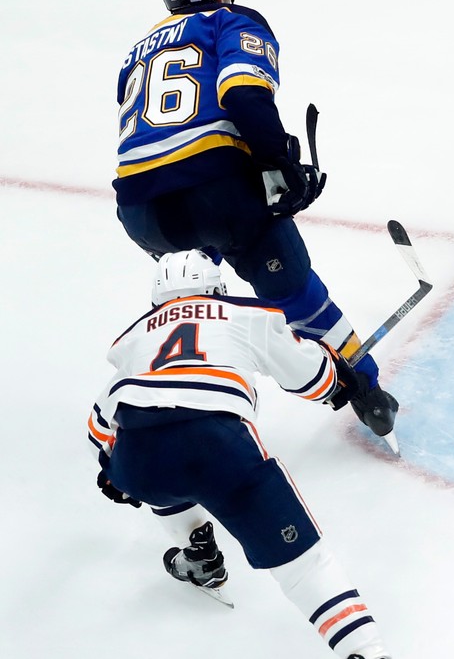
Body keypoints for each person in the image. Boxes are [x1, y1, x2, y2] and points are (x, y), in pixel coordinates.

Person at [113, 0, 397, 441]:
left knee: (191, 302)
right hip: (216, 192)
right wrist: (280, 163)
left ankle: (158, 416)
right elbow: (243, 92)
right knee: (295, 293)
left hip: (139, 209)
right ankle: (366, 390)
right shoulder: (228, 20)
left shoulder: (138, 49)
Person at [87, 250, 394, 659]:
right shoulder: (245, 313)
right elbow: (311, 378)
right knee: (304, 567)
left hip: (138, 459)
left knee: (162, 459)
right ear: (215, 287)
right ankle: (366, 650)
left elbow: (99, 426)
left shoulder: (131, 337)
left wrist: (114, 471)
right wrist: (339, 377)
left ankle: (199, 554)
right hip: (218, 445)